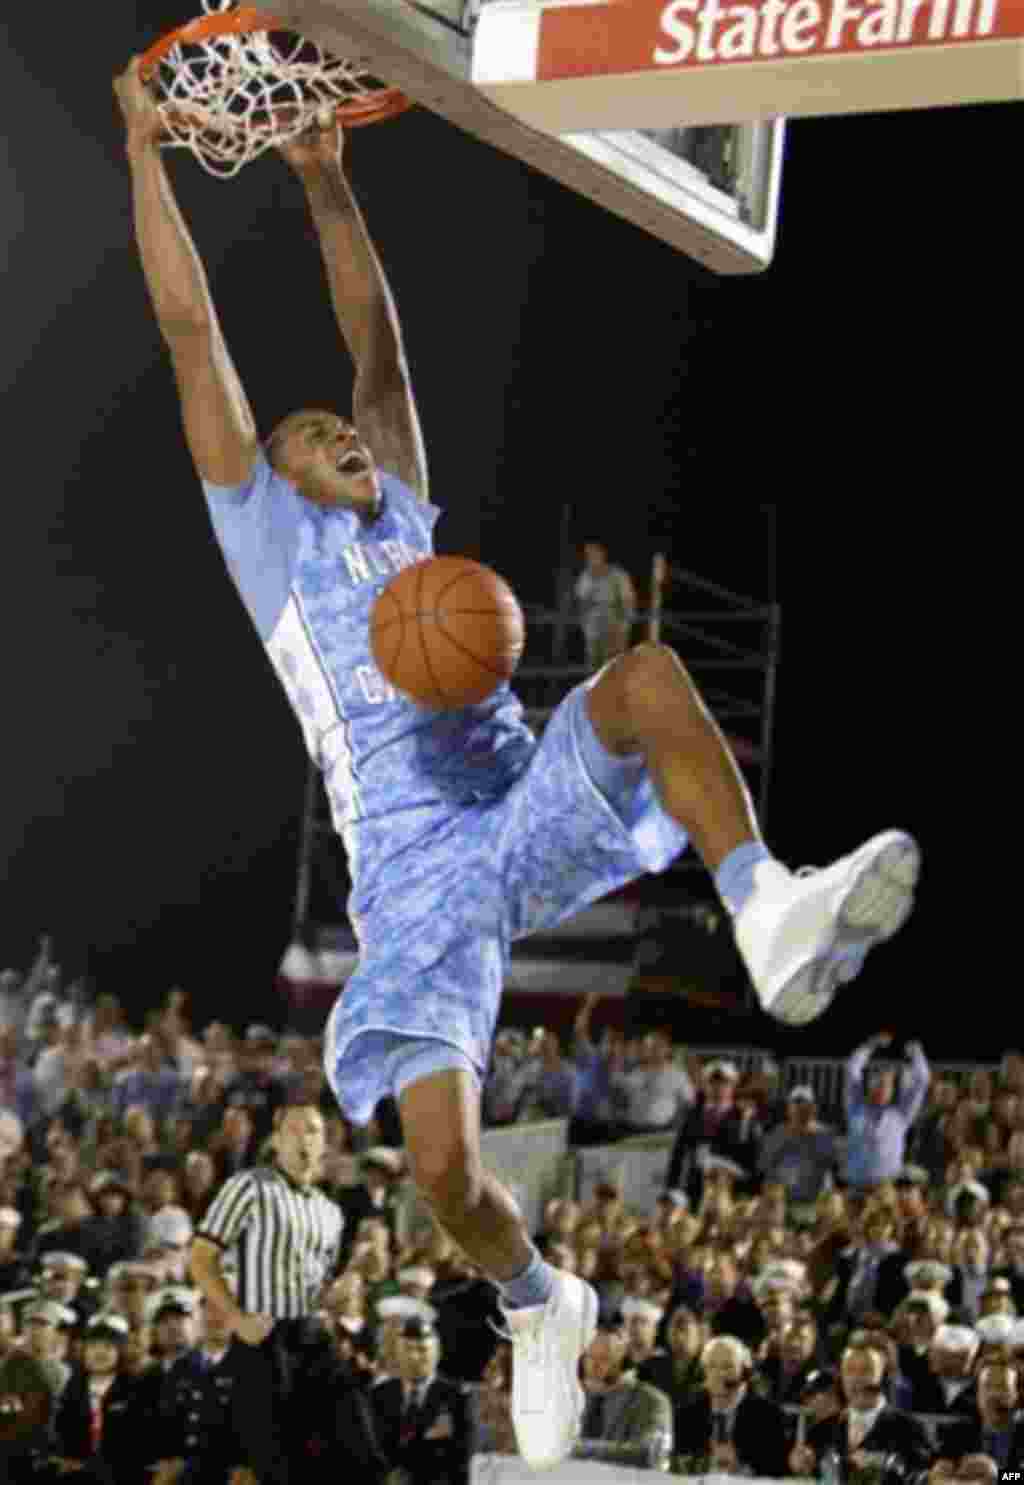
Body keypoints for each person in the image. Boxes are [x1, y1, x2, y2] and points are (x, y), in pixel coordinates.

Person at [115, 52, 920, 1471]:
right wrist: (141, 153)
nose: (338, 437)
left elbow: (381, 349)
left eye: (342, 436)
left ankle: (767, 900)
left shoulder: (405, 514)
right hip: (417, 867)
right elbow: (193, 335)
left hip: (508, 790)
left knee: (650, 676)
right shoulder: (266, 538)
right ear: (281, 468)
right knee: (443, 1172)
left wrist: (324, 183)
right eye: (312, 436)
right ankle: (540, 1299)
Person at [187, 1105, 343, 1483]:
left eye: (313, 1131)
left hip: (312, 1337)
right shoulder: (250, 1186)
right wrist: (236, 1317)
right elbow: (201, 1257)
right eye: (294, 1130)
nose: (304, 1138)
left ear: (324, 1144)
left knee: (338, 1455)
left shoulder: (331, 1212)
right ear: (276, 1141)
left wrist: (343, 1290)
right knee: (274, 1464)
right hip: (265, 1336)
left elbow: (320, 1285)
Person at [844, 1033, 931, 1190]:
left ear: (891, 1090)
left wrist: (916, 1054)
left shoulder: (901, 1115)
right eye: (877, 1082)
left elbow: (922, 1080)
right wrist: (869, 1046)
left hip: (887, 1188)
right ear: (869, 1086)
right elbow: (852, 1070)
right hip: (855, 1186)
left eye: (886, 1084)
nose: (881, 1087)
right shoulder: (855, 1108)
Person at [574, 542, 637, 674]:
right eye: (588, 555)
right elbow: (581, 603)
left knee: (614, 669)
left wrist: (623, 627)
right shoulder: (585, 577)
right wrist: (585, 625)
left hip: (614, 630)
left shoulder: (617, 575)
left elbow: (628, 602)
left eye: (594, 553)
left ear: (602, 554)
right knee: (594, 672)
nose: (591, 557)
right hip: (593, 631)